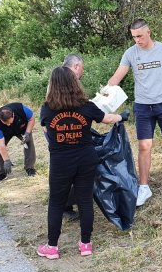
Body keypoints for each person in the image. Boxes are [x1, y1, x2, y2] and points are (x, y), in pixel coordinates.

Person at [37, 66, 127, 259]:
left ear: (52, 85)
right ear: (74, 83)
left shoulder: (47, 108)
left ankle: (52, 247)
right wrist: (122, 116)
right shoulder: (86, 106)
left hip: (61, 162)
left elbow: (45, 128)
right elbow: (107, 119)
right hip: (86, 158)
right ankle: (86, 244)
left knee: (56, 203)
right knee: (85, 201)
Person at [107, 18, 162, 206]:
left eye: (140, 36)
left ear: (149, 33)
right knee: (144, 145)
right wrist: (103, 95)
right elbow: (117, 77)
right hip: (143, 106)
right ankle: (143, 187)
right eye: (134, 37)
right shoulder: (130, 53)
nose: (137, 40)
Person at [61, 53, 85, 221]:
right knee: (71, 171)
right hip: (66, 130)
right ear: (76, 66)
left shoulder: (58, 76)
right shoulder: (67, 79)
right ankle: (66, 206)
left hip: (60, 130)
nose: (82, 72)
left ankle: (69, 204)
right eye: (82, 68)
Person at [0, 103, 37, 183]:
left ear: (13, 115)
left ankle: (30, 168)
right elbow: (1, 145)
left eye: (10, 122)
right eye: (6, 123)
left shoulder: (22, 109)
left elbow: (31, 119)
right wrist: (6, 160)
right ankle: (2, 173)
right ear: (1, 119)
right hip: (5, 133)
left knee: (29, 142)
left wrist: (28, 133)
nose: (8, 124)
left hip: (21, 127)